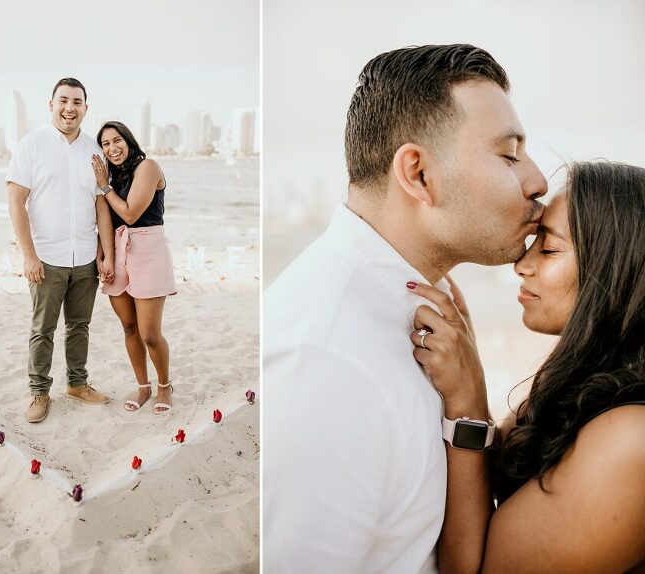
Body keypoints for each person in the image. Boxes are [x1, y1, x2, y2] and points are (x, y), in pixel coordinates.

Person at [263, 44, 547, 573]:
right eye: (509, 155)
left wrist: (470, 405)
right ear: (418, 174)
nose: (537, 181)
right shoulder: (325, 361)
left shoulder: (421, 309)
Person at [409, 161, 645, 573]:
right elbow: (488, 471)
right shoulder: (581, 385)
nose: (521, 264)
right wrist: (467, 359)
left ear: (616, 271)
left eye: (549, 249)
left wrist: (468, 400)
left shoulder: (631, 440)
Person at [6, 78, 114, 424]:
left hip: (85, 256)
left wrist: (105, 253)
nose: (70, 108)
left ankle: (77, 385)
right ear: (51, 104)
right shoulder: (31, 145)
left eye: (77, 102)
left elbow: (101, 204)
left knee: (80, 325)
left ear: (86, 108)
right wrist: (28, 255)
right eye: (63, 100)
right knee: (43, 328)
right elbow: (16, 201)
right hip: (47, 257)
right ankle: (39, 392)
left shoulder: (94, 150)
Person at [92, 121, 177, 414]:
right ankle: (143, 386)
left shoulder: (148, 167)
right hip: (117, 249)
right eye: (105, 144)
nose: (112, 148)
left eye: (117, 140)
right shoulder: (110, 177)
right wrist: (102, 256)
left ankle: (164, 386)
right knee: (129, 326)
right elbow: (103, 219)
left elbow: (129, 214)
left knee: (149, 333)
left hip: (148, 249)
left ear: (128, 141)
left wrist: (104, 186)